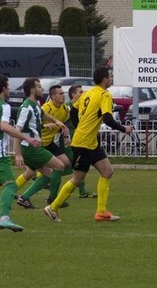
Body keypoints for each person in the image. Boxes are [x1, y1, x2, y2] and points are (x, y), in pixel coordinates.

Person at [44, 67, 133, 223]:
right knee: (77, 179)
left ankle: (101, 212)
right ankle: (52, 207)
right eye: (110, 76)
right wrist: (124, 128)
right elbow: (107, 119)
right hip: (83, 142)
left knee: (107, 171)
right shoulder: (104, 95)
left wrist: (80, 127)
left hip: (91, 141)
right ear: (105, 79)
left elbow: (73, 111)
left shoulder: (88, 93)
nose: (111, 79)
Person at [13, 79, 69, 213]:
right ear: (32, 90)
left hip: (33, 147)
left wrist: (56, 121)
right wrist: (18, 154)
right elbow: (16, 131)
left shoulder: (35, 104)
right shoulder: (26, 107)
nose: (42, 89)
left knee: (49, 174)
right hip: (29, 148)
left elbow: (43, 114)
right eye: (39, 86)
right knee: (60, 166)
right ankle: (53, 201)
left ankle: (24, 198)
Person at [1, 77, 42, 233]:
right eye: (8, 86)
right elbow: (4, 126)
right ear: (4, 88)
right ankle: (4, 218)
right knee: (11, 184)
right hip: (0, 153)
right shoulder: (4, 106)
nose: (10, 89)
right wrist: (26, 138)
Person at [66, 84, 95, 199]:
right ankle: (41, 176)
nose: (83, 94)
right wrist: (66, 137)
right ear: (73, 94)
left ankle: (82, 192)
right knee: (69, 166)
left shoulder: (82, 106)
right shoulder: (68, 107)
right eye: (80, 92)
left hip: (79, 140)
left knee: (78, 166)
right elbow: (61, 123)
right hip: (71, 141)